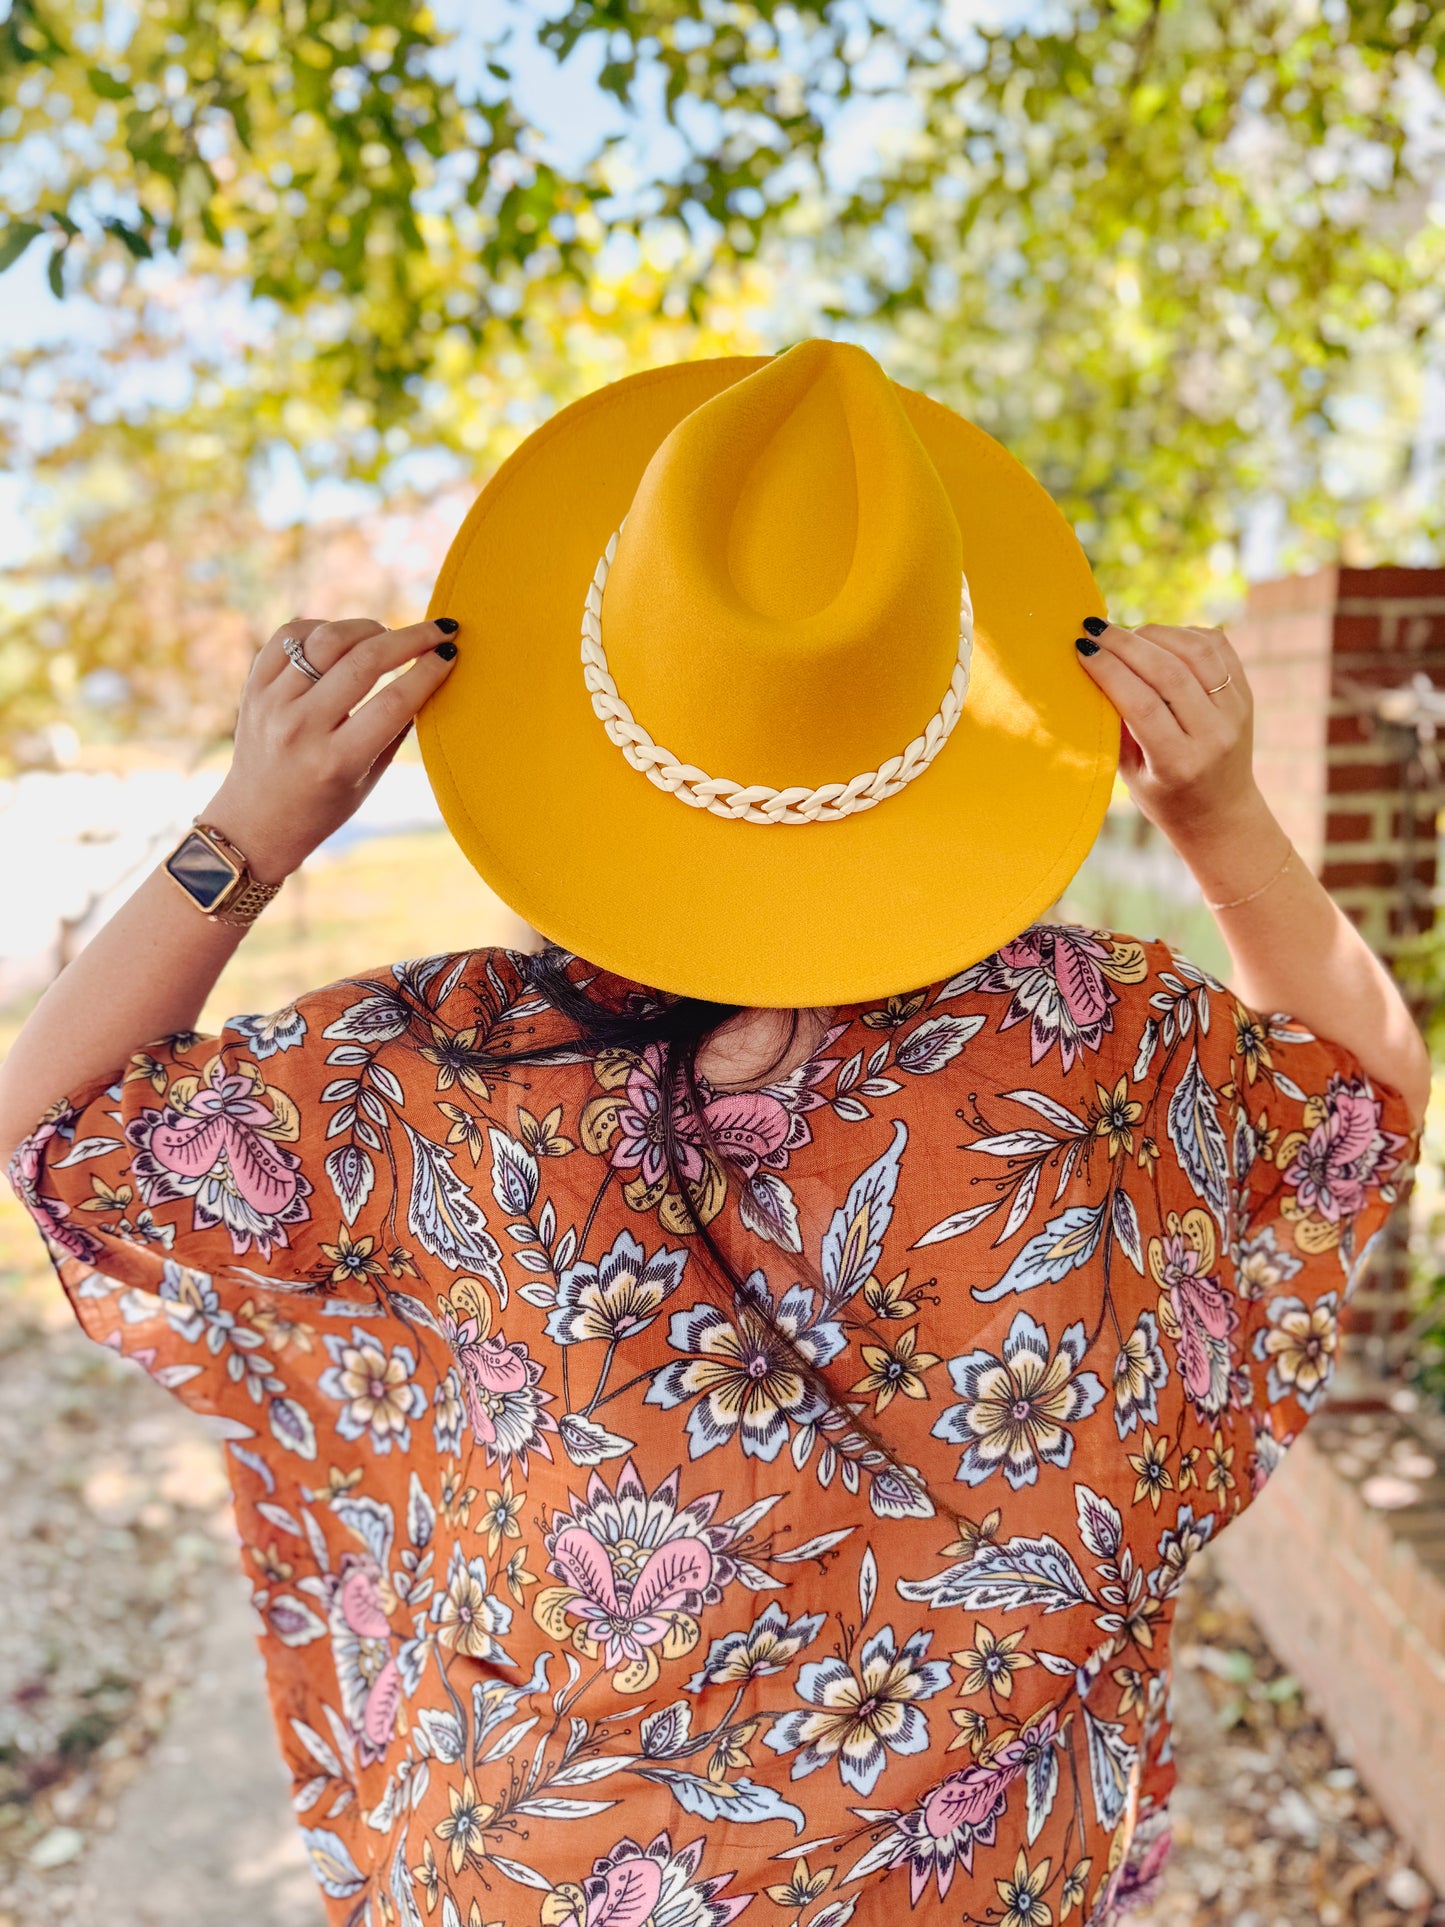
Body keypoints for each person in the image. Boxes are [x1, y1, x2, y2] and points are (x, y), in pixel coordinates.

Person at [2, 341, 1428, 1927]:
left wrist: (250, 829)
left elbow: (56, 1124)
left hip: (535, 1879)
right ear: (931, 705)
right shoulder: (1086, 1044)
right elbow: (1357, 1099)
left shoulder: (437, 1072)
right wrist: (1221, 818)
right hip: (977, 1883)